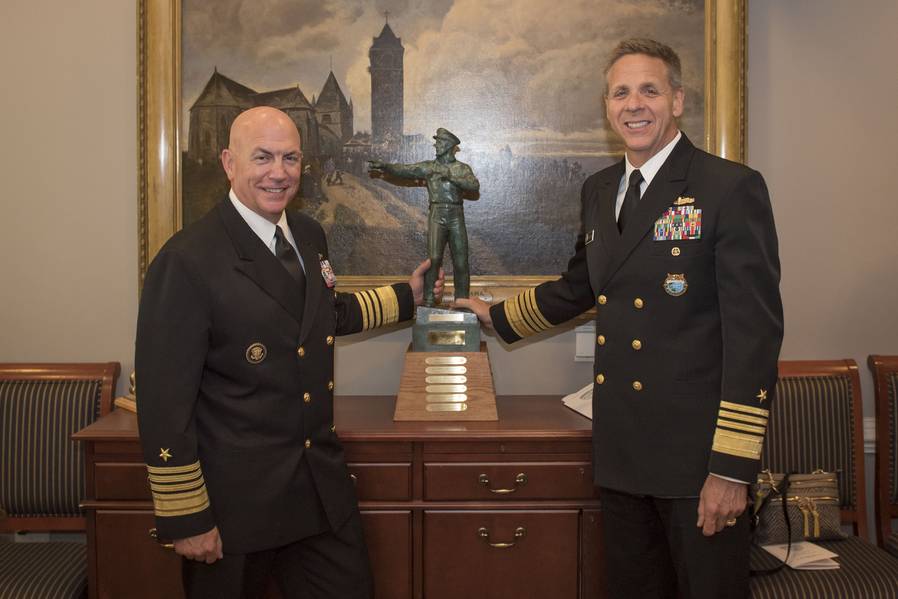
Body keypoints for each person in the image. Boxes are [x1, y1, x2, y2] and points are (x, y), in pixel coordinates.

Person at [455, 38, 783, 599]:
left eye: (650, 90)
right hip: (623, 451)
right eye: (621, 93)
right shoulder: (600, 188)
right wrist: (497, 316)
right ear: (607, 107)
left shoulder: (728, 187)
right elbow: (582, 284)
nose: (635, 104)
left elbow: (755, 337)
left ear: (677, 101)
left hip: (697, 462)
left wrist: (731, 469)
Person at [136, 106, 443, 599]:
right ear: (228, 163)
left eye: (291, 158)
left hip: (318, 491)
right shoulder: (187, 261)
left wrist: (408, 296)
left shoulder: (307, 235)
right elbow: (162, 402)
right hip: (235, 510)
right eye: (263, 157)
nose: (279, 173)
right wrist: (186, 517)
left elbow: (321, 315)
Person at [368, 128, 480, 305]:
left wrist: (449, 175)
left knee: (461, 261)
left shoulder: (461, 168)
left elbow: (473, 186)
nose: (436, 145)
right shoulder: (429, 167)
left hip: (455, 215)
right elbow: (406, 170)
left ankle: (462, 303)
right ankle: (428, 302)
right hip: (437, 214)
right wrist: (386, 167)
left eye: (440, 142)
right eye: (436, 142)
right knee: (434, 259)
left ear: (450, 145)